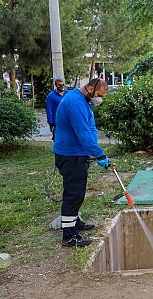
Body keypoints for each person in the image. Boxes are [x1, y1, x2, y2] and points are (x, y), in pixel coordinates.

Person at [52, 78, 110, 247]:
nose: (100, 98)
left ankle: (74, 222)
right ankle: (69, 236)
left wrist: (94, 150)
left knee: (77, 192)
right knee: (73, 194)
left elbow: (90, 128)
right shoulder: (75, 103)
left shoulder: (83, 101)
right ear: (91, 88)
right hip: (70, 155)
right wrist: (99, 155)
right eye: (99, 94)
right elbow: (83, 133)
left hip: (77, 154)